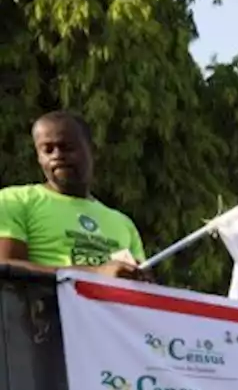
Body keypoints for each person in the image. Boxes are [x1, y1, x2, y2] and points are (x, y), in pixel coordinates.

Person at [0, 111, 144, 278]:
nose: (57, 156)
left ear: (93, 151)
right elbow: (5, 269)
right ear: (38, 157)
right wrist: (94, 273)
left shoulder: (124, 224)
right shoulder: (13, 201)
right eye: (47, 150)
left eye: (66, 147)